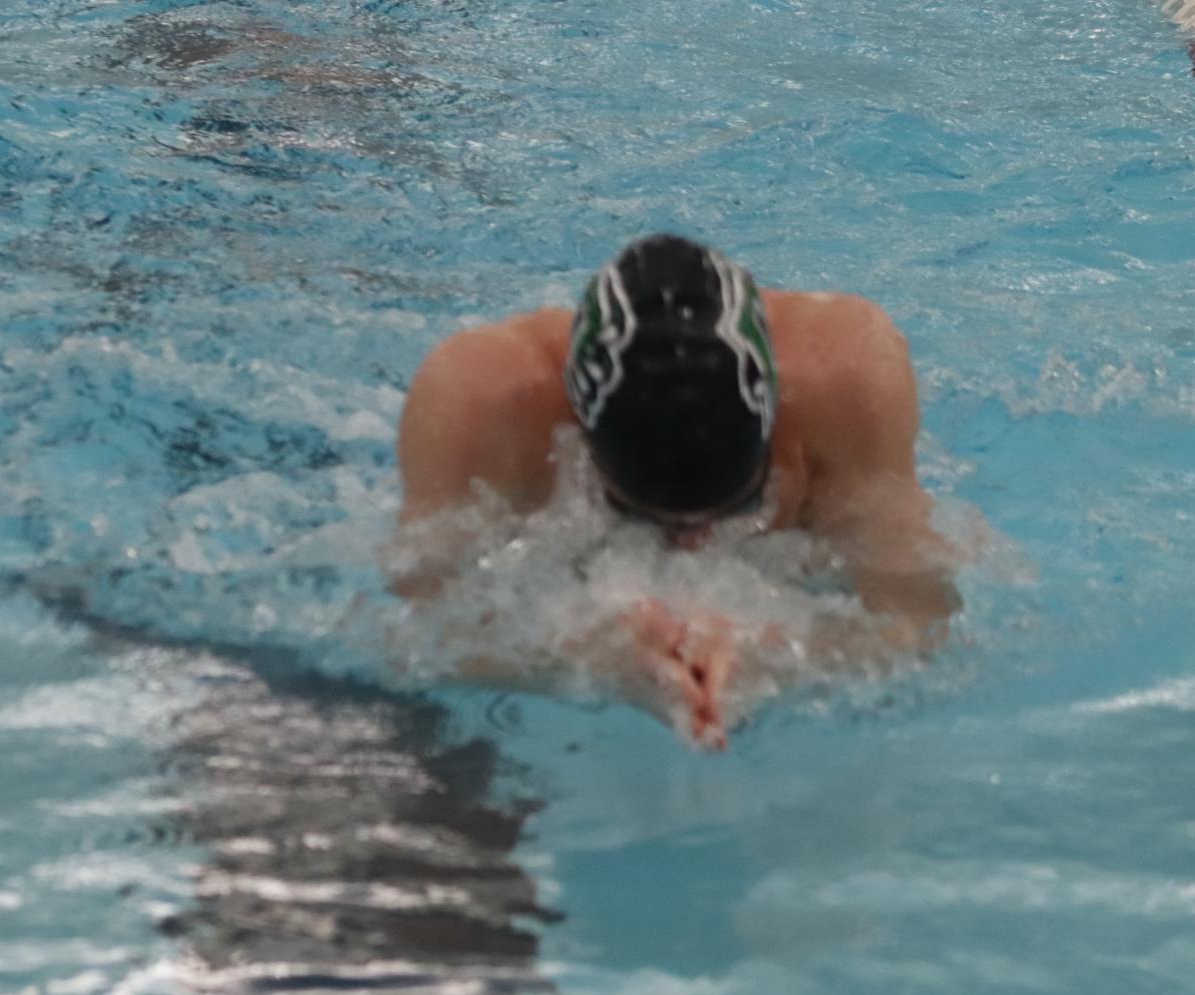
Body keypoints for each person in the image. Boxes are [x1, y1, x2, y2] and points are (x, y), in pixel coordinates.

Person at [391, 233, 959, 748]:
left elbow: (921, 622)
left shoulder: (846, 383)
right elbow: (410, 638)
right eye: (631, 515)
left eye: (742, 505)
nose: (691, 546)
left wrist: (780, 656)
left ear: (775, 423)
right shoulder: (480, 404)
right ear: (578, 436)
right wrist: (584, 657)